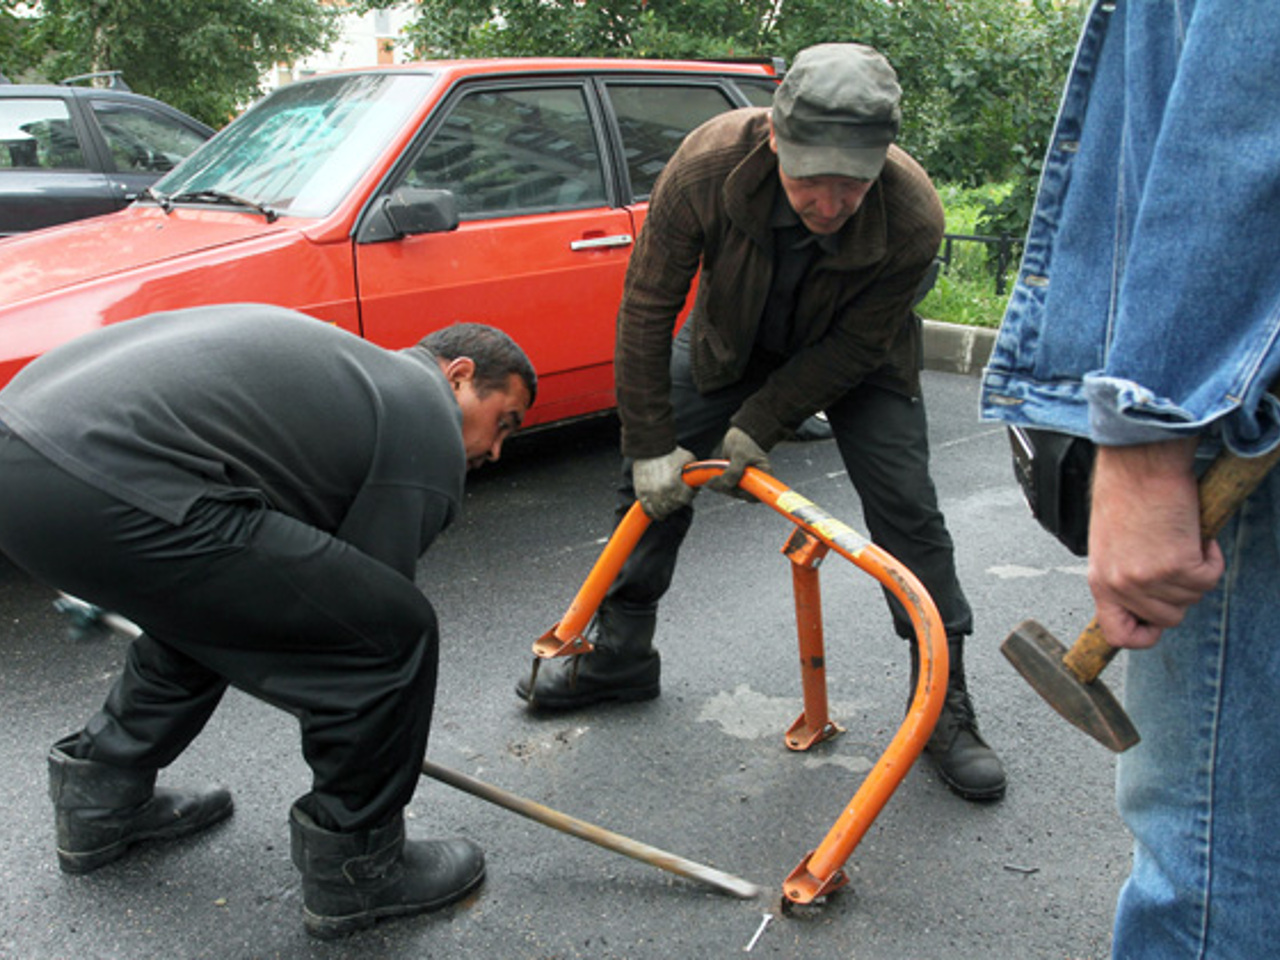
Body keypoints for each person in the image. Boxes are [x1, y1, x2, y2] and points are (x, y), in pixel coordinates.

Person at [517, 43, 1006, 802]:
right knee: (650, 485)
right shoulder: (707, 167)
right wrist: (651, 445)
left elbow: (854, 343)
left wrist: (761, 424)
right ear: (776, 136)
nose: (832, 203)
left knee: (909, 513)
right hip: (728, 340)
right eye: (813, 179)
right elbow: (647, 309)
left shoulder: (913, 214)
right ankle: (621, 656)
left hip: (861, 361)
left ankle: (944, 705)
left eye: (853, 183)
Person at [0, 304, 536, 940]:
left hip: (25, 454)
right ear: (458, 375)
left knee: (224, 606)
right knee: (389, 638)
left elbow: (274, 600)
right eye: (503, 421)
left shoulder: (351, 382)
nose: (496, 451)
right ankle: (359, 867)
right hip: (111, 474)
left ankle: (101, 800)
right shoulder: (424, 414)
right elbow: (361, 617)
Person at [980, 2, 1280, 956]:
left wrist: (1150, 433)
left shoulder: (903, 207)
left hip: (1232, 417)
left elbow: (1244, 86)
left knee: (1222, 860)